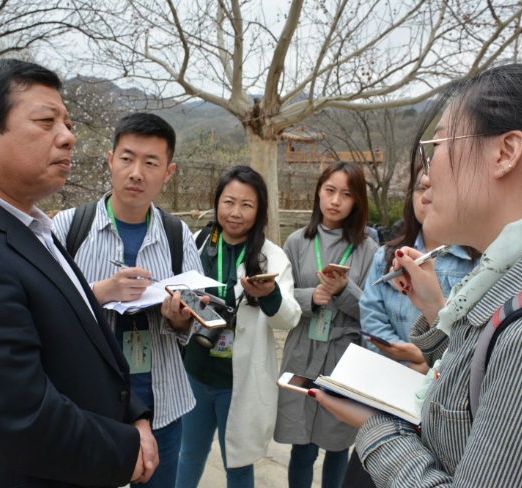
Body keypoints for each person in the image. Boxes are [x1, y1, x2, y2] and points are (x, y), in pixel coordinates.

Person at [312, 63, 522, 487]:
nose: (425, 176)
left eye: (440, 144)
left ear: (506, 153)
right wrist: (435, 311)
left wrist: (376, 426)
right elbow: (485, 385)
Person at [0, 59, 157, 487]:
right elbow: (20, 418)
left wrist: (135, 418)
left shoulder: (32, 226)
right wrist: (125, 450)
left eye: (68, 123)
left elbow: (83, 335)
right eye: (46, 121)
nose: (69, 137)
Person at [52, 112, 202, 487]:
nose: (136, 172)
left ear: (168, 172)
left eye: (151, 163)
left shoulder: (177, 234)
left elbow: (197, 309)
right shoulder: (69, 228)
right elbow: (45, 310)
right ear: (110, 160)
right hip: (87, 410)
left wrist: (181, 317)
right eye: (127, 158)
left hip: (162, 407)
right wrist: (102, 292)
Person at [176, 166, 302, 488]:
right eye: (228, 202)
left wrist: (271, 295)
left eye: (246, 205)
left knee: (239, 465)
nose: (235, 213)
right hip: (194, 372)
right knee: (187, 456)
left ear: (259, 210)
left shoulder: (272, 258)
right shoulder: (198, 243)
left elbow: (289, 318)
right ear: (217, 202)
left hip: (238, 381)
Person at [274, 161, 378, 488]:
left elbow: (374, 313)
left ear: (357, 202)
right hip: (303, 351)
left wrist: (343, 290)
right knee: (302, 447)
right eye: (330, 190)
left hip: (345, 358)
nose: (335, 201)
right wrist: (310, 297)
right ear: (319, 191)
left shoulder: (369, 250)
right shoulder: (295, 242)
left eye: (346, 194)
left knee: (337, 445)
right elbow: (279, 296)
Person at [360, 166, 478, 373]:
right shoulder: (387, 256)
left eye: (436, 186)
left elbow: (477, 335)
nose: (427, 195)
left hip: (450, 381)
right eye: (420, 188)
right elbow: (371, 319)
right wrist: (410, 364)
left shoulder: (477, 260)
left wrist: (428, 358)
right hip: (392, 377)